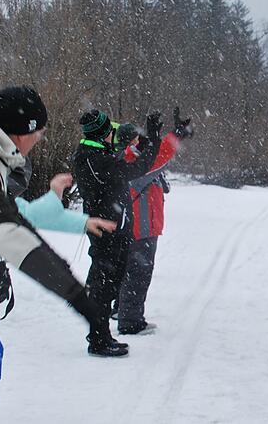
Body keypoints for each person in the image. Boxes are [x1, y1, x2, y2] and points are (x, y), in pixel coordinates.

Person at [0, 87, 104, 421]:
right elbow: (12, 233)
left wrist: (77, 219)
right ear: (23, 131)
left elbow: (20, 217)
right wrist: (78, 296)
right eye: (40, 131)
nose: (41, 138)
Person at [73, 109, 162, 356]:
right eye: (109, 133)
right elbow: (139, 167)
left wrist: (136, 139)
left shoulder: (94, 152)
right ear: (101, 135)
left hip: (113, 229)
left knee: (108, 284)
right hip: (108, 231)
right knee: (103, 285)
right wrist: (153, 137)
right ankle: (98, 339)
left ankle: (102, 335)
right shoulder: (96, 160)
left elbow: (117, 146)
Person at [116, 109, 192, 335]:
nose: (141, 143)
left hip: (140, 224)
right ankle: (130, 321)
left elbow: (158, 154)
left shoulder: (128, 157)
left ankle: (125, 314)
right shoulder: (131, 159)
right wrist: (174, 136)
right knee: (138, 273)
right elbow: (161, 155)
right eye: (138, 139)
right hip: (141, 226)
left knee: (132, 272)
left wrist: (170, 136)